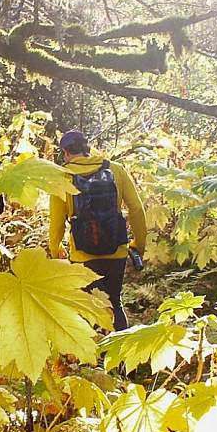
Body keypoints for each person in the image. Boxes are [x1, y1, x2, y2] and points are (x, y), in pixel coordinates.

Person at [48, 129, 148, 330]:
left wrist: (55, 249)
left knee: (87, 307)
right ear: (87, 148)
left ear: (65, 152)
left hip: (82, 254)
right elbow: (136, 209)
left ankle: (91, 358)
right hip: (116, 249)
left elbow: (57, 222)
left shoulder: (61, 177)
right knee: (115, 303)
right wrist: (139, 244)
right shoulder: (116, 169)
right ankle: (120, 356)